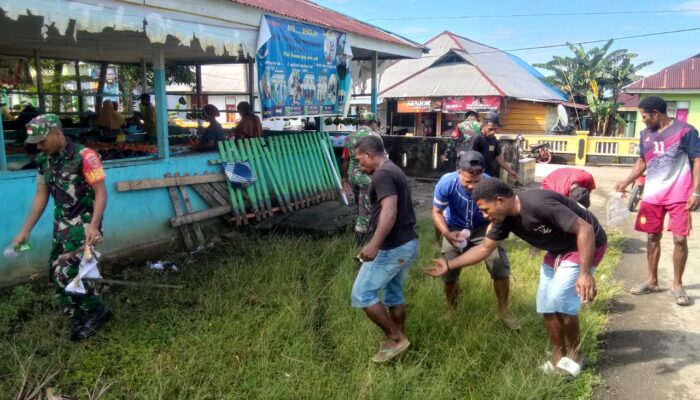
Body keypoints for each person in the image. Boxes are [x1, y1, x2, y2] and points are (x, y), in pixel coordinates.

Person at [426, 178, 607, 377]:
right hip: (557, 248)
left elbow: (585, 229)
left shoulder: (538, 204)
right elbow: (485, 248)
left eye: (486, 210)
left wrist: (585, 273)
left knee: (561, 299)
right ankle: (557, 355)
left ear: (500, 200)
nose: (485, 216)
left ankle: (575, 355)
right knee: (545, 302)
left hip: (586, 244)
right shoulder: (503, 219)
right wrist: (449, 264)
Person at [11, 114, 111, 341]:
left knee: (69, 270)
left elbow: (101, 192)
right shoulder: (44, 161)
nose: (38, 146)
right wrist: (25, 230)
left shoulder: (86, 156)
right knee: (56, 272)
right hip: (63, 225)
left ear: (57, 133)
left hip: (85, 224)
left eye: (42, 141)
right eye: (35, 143)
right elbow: (41, 195)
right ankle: (78, 314)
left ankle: (96, 311)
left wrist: (94, 227)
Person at [615, 96, 700, 306]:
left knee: (680, 239)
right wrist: (626, 182)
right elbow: (642, 162)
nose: (642, 120)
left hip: (679, 195)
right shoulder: (645, 134)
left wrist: (696, 192)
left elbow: (697, 160)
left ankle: (677, 284)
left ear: (656, 113)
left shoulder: (686, 131)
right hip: (652, 196)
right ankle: (652, 281)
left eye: (644, 116)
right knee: (652, 237)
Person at [351, 135, 418, 363]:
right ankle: (397, 342)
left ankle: (396, 337)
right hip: (406, 243)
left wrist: (374, 244)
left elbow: (389, 211)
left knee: (361, 294)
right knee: (393, 295)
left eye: (360, 160)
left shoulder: (382, 174)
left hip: (392, 247)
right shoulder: (393, 169)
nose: (360, 166)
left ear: (370, 155)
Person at [432, 151, 517, 327]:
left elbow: (498, 213)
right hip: (454, 228)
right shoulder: (446, 183)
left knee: (499, 265)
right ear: (458, 172)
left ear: (483, 174)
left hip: (483, 228)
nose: (472, 186)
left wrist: (490, 234)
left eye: (477, 182)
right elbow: (436, 212)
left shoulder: (491, 185)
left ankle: (503, 310)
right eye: (467, 182)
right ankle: (451, 309)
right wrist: (447, 234)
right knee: (448, 271)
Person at [341, 112, 382, 245]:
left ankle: (360, 227)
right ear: (372, 123)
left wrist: (344, 178)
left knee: (359, 204)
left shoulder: (350, 137)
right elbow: (381, 159)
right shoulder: (376, 137)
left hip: (353, 175)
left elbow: (345, 160)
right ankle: (360, 240)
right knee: (366, 206)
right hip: (367, 177)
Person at [471, 112, 519, 182]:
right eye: (490, 129)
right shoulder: (477, 138)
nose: (493, 132)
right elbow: (471, 158)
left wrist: (510, 171)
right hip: (479, 175)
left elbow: (498, 157)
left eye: (495, 129)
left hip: (490, 174)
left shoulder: (493, 139)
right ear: (484, 126)